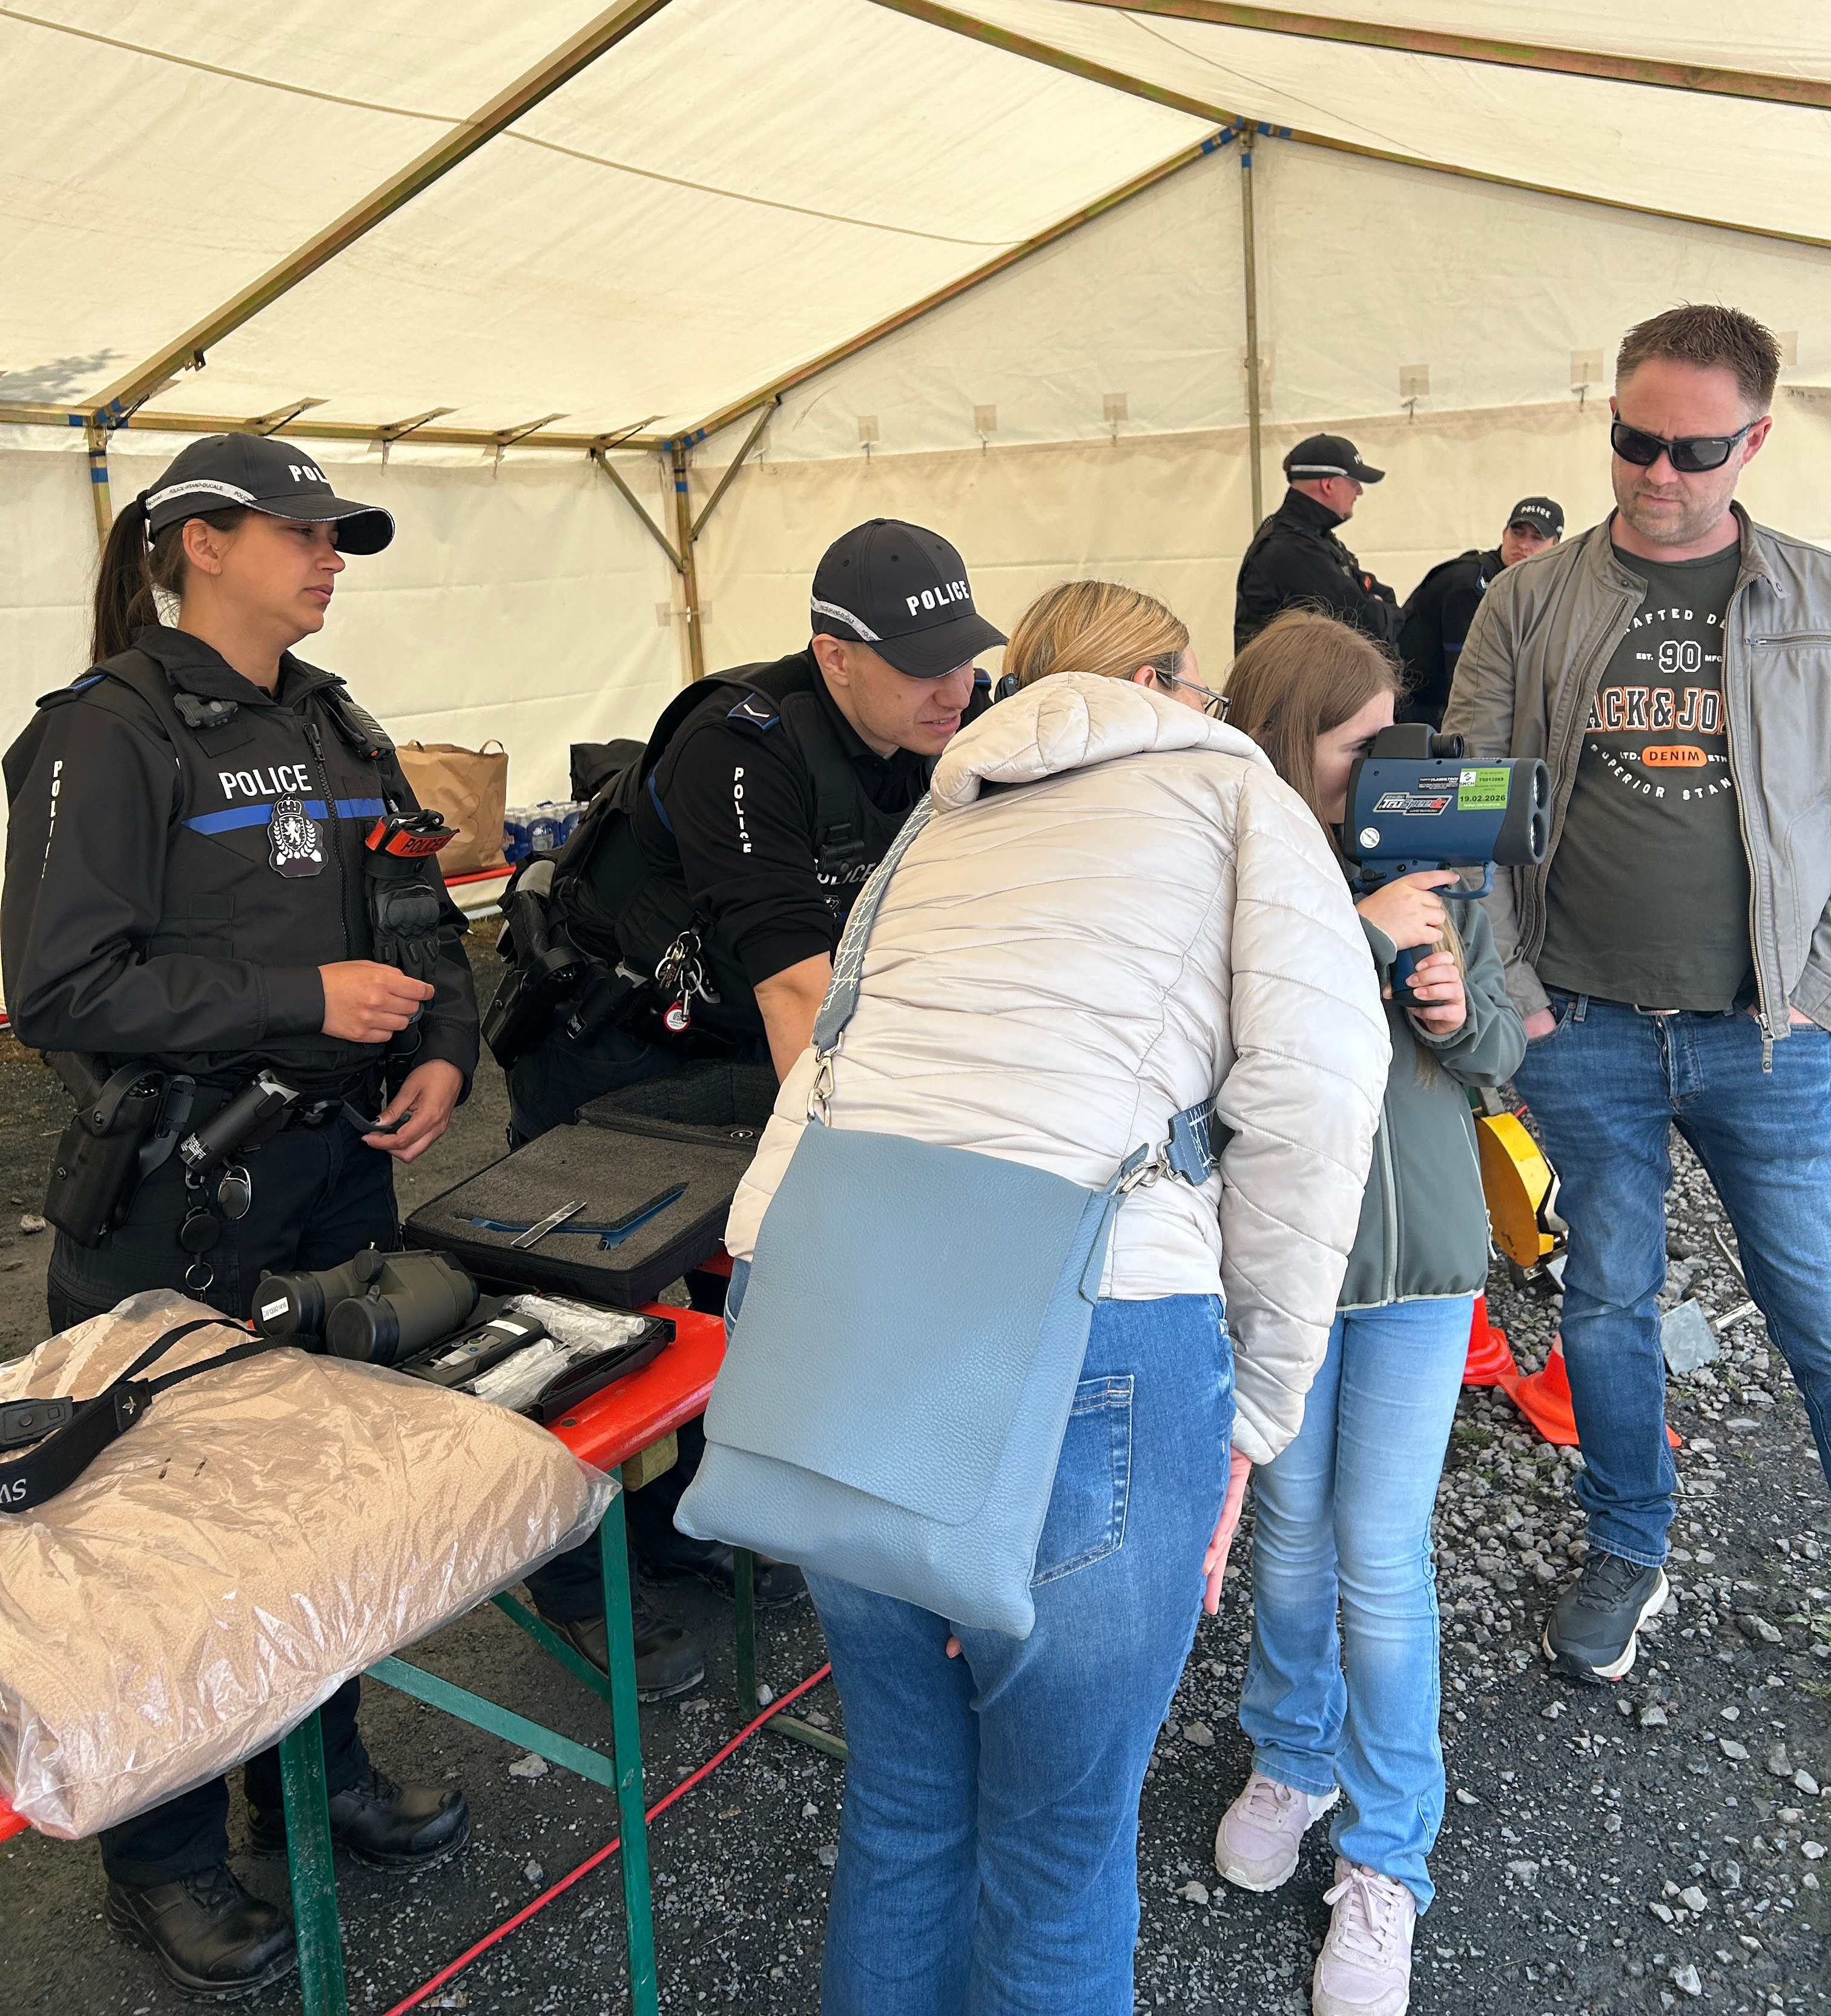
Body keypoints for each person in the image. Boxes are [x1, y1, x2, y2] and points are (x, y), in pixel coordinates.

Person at [720, 578, 1390, 2016]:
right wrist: (1256, 1415)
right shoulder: (1239, 798)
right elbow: (1319, 1107)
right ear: (1159, 685)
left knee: (906, 1801)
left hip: (846, 1318)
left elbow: (826, 1070)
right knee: (1059, 1848)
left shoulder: (941, 814)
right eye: (1198, 686)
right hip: (1097, 1324)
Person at [1, 434, 477, 2000]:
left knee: (323, 1509)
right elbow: (59, 991)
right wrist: (299, 995)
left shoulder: (337, 721)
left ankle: (316, 1779)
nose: (331, 555)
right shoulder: (105, 731)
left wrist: (444, 1050)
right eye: (302, 531)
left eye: (340, 534)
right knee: (166, 1553)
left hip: (338, 1179)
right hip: (176, 1202)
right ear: (200, 543)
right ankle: (166, 1859)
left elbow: (424, 912)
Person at [512, 518, 1003, 1685]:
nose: (954, 687)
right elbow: (796, 986)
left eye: (963, 657)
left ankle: (681, 1520)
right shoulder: (739, 746)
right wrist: (856, 1180)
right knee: (590, 1332)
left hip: (734, 1050)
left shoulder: (939, 732)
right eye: (920, 665)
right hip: (612, 1056)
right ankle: (575, 1583)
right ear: (834, 655)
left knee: (736, 1309)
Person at [1444, 302, 1831, 1685]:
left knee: (1814, 1306)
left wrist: (1817, 987)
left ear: (1754, 441)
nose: (1657, 473)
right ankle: (1626, 1545)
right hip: (1584, 1028)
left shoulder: (1813, 599)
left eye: (1692, 450)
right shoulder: (1527, 598)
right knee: (1605, 1301)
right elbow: (1466, 807)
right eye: (1632, 441)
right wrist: (1513, 990)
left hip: (1769, 1035)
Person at [1218, 610, 1525, 2016]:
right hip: (1286, 1268)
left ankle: (1389, 1856)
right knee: (1288, 1539)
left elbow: (1501, 1053)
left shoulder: (1446, 871)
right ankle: (1293, 1758)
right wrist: (1350, 934)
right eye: (1361, 747)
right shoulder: (1231, 876)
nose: (1394, 771)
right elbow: (1219, 1044)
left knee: (1381, 1555)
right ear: (1293, 747)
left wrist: (1457, 1013)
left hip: (1422, 1266)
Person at [1396, 496, 1565, 727]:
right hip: (1418, 717)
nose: (1524, 545)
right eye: (1518, 533)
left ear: (1556, 548)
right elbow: (1468, 682)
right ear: (1504, 534)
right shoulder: (1470, 584)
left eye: (1537, 538)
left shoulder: (1533, 588)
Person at [1235, 434, 1400, 656]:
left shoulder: (1312, 536)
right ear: (1328, 485)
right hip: (1291, 679)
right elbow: (1368, 625)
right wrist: (1379, 608)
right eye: (1354, 482)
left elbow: (1381, 595)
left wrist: (1376, 604)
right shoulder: (1291, 548)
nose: (1359, 491)